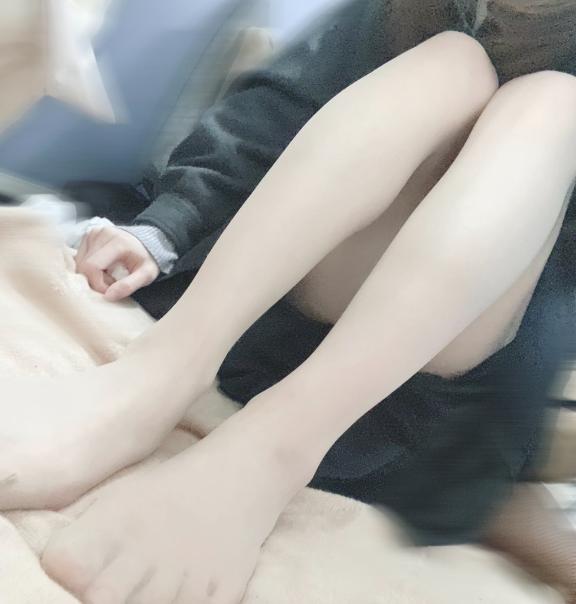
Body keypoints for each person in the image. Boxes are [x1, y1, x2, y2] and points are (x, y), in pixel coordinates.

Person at [2, 0, 576, 602]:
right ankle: (153, 378)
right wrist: (164, 226)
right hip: (268, 312)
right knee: (451, 62)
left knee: (552, 104)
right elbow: (274, 110)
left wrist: (496, 467)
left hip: (405, 397)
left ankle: (273, 451)